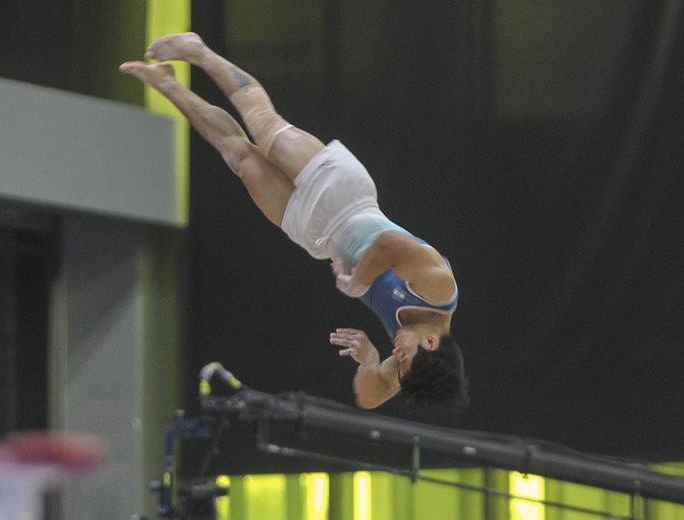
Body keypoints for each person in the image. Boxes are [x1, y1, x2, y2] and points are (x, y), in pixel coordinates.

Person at [120, 33, 467, 411]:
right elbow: (389, 245)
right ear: (431, 342)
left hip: (317, 237)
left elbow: (370, 397)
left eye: (396, 362)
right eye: (402, 356)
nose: (395, 355)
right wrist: (359, 282)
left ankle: (168, 84)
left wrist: (369, 362)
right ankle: (199, 52)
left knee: (240, 158)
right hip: (344, 196)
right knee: (263, 123)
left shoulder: (415, 357)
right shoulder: (438, 289)